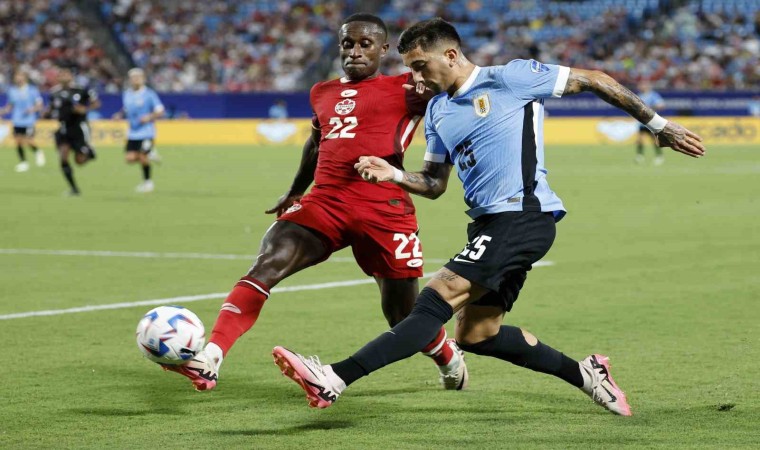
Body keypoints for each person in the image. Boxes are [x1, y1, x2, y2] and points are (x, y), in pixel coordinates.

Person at [272, 18, 706, 415]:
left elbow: (595, 79)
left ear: (450, 55)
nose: (416, 79)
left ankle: (334, 377)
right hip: (487, 224)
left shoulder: (510, 78)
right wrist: (394, 174)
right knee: (477, 335)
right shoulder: (438, 111)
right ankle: (588, 374)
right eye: (410, 70)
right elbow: (434, 183)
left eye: (421, 66)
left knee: (434, 300)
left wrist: (659, 125)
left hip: (524, 215)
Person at [163, 13, 469, 392]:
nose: (355, 51)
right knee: (266, 264)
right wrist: (295, 190)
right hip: (324, 202)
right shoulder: (322, 92)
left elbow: (458, 91)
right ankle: (210, 356)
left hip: (383, 210)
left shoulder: (408, 87)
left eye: (365, 44)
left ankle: (446, 355)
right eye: (347, 44)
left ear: (383, 49)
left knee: (402, 317)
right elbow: (315, 143)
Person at [48, 66, 101, 196]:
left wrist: (85, 109)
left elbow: (96, 103)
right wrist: (46, 113)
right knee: (63, 157)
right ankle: (74, 188)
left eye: (66, 74)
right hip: (63, 128)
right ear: (58, 77)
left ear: (71, 76)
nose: (64, 76)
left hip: (78, 127)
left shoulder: (81, 90)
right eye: (61, 74)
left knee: (79, 161)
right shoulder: (54, 92)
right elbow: (52, 107)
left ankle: (89, 152)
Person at [116, 68, 165, 193]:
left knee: (143, 157)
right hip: (133, 133)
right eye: (133, 77)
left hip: (146, 132)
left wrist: (149, 117)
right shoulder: (127, 94)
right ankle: (150, 153)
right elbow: (126, 108)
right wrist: (120, 114)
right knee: (129, 159)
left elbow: (160, 110)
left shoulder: (149, 94)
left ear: (143, 79)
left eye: (138, 77)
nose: (136, 79)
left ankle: (148, 183)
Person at [0, 71, 45, 172]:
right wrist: (3, 111)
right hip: (17, 120)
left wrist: (32, 109)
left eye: (20, 76)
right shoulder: (12, 91)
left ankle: (38, 151)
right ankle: (23, 162)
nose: (18, 78)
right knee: (18, 142)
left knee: (28, 140)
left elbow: (39, 105)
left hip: (29, 120)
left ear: (25, 78)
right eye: (17, 76)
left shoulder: (32, 90)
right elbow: (10, 105)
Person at [635, 81, 666, 165]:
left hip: (651, 121)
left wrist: (651, 108)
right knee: (640, 140)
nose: (641, 87)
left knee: (654, 140)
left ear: (647, 86)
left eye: (642, 85)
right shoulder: (639, 96)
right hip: (642, 122)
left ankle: (659, 156)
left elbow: (661, 105)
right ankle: (639, 156)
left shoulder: (653, 95)